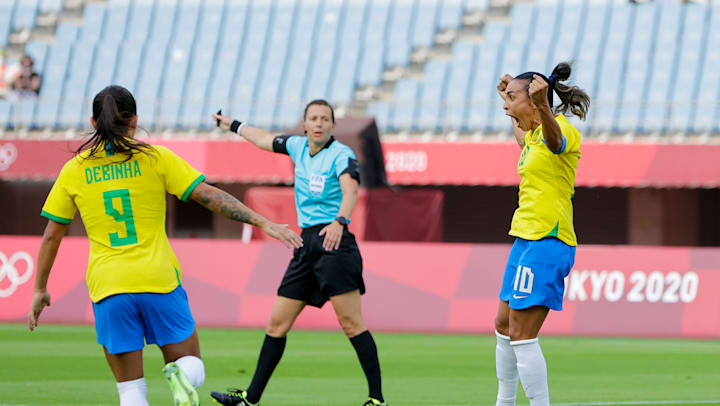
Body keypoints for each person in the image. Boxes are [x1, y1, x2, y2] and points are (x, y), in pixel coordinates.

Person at [28, 85, 303, 406]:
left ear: (93, 122)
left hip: (109, 287)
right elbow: (209, 195)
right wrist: (261, 221)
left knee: (130, 392)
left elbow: (51, 236)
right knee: (192, 365)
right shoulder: (155, 159)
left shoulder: (74, 170)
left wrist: (40, 289)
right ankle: (182, 376)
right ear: (135, 121)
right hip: (158, 280)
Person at [210, 100, 387, 406]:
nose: (318, 123)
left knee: (351, 324)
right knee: (276, 325)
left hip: (335, 245)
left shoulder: (341, 154)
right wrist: (233, 125)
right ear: (305, 124)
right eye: (313, 118)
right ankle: (250, 399)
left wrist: (340, 222)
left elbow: (351, 191)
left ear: (332, 125)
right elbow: (264, 139)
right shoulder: (296, 146)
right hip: (306, 247)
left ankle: (376, 399)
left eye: (324, 119)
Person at [493, 62, 590, 406]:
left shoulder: (561, 129)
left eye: (512, 97)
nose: (506, 101)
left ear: (534, 101)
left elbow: (556, 141)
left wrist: (544, 106)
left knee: (521, 334)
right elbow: (528, 135)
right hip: (525, 239)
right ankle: (504, 401)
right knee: (504, 326)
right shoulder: (532, 137)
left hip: (548, 240)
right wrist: (510, 103)